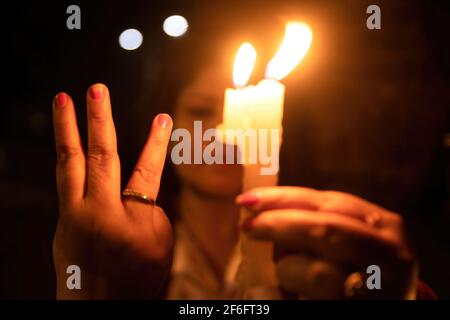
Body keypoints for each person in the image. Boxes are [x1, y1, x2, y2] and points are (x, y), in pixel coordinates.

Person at [52, 78, 422, 299]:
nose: (220, 133)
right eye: (200, 110)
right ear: (165, 122)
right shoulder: (103, 248)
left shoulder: (324, 256)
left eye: (242, 117)